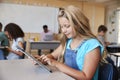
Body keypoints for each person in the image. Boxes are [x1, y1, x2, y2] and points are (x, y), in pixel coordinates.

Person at [34, 5, 104, 80]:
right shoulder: (69, 42)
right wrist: (44, 59)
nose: (63, 30)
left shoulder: (92, 45)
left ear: (78, 24)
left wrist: (56, 64)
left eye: (67, 26)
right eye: (62, 26)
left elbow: (85, 77)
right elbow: (53, 55)